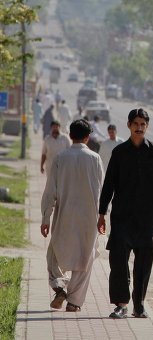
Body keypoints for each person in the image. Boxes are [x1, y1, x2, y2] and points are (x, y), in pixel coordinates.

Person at [97, 108, 153, 319]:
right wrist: (102, 212)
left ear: (147, 127)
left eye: (143, 124)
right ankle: (121, 304)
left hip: (147, 219)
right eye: (136, 124)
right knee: (118, 260)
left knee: (144, 262)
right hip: (123, 216)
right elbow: (109, 185)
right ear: (129, 125)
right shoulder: (119, 153)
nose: (139, 128)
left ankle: (139, 304)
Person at [40, 119, 103, 312]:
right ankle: (74, 302)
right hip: (89, 217)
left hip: (64, 215)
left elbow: (50, 191)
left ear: (71, 134)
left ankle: (59, 287)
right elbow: (101, 189)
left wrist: (45, 218)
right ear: (87, 137)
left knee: (54, 254)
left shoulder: (61, 157)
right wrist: (103, 216)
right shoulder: (95, 158)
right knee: (85, 258)